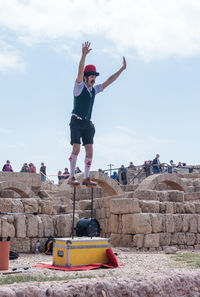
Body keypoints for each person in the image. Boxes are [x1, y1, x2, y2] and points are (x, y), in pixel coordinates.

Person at [68, 41, 126, 186]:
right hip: (76, 121)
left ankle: (86, 177)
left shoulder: (95, 89)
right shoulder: (78, 87)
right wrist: (83, 56)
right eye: (92, 76)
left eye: (95, 76)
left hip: (87, 123)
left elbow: (109, 81)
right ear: (86, 77)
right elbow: (80, 71)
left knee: (90, 149)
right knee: (76, 147)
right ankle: (71, 177)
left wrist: (121, 70)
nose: (94, 78)